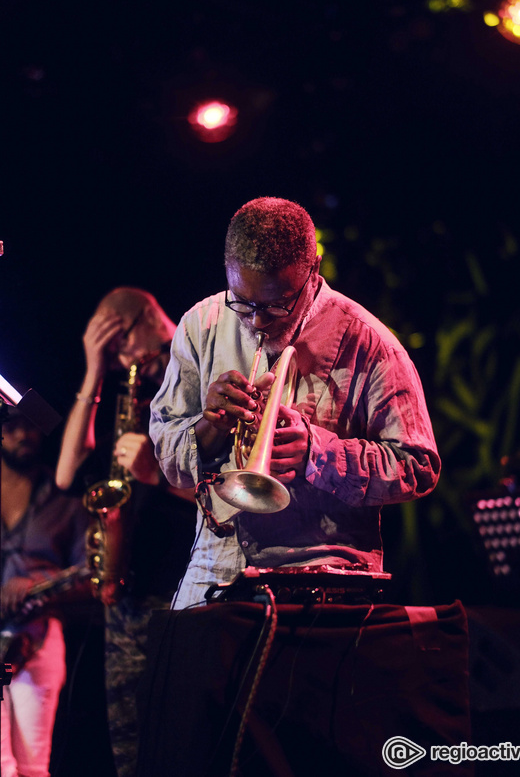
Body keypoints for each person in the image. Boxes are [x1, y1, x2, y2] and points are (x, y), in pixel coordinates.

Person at [149, 197, 441, 610]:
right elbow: (169, 461)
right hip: (216, 568)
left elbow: (419, 466)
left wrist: (317, 454)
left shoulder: (370, 343)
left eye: (275, 304)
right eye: (242, 302)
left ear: (314, 270)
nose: (256, 321)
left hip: (324, 576)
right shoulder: (201, 324)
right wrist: (210, 426)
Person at [55, 287, 197, 777]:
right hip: (130, 600)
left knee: (188, 745)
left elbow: (231, 496)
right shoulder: (130, 389)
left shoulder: (202, 373)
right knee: (131, 757)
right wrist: (93, 371)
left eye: (118, 345)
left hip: (185, 596)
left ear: (145, 320)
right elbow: (67, 476)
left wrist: (156, 475)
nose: (121, 360)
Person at [1, 406, 90, 777]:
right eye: (13, 426)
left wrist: (37, 585)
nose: (25, 434)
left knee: (32, 767)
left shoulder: (64, 497)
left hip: (38, 637)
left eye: (32, 426)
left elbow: (91, 575)